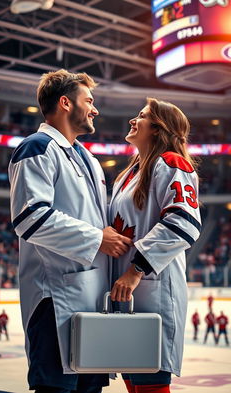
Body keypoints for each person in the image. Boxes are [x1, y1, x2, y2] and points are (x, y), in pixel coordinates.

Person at [8, 69, 132, 393]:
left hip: (92, 300)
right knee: (56, 388)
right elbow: (29, 218)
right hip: (54, 299)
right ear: (65, 103)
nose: (95, 109)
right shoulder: (36, 147)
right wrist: (97, 238)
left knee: (91, 389)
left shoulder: (89, 158)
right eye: (89, 101)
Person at [109, 97, 201, 393]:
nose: (133, 120)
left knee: (150, 382)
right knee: (134, 382)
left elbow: (184, 222)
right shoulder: (128, 175)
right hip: (125, 294)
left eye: (142, 115)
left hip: (152, 289)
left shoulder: (172, 163)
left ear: (158, 128)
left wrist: (136, 269)